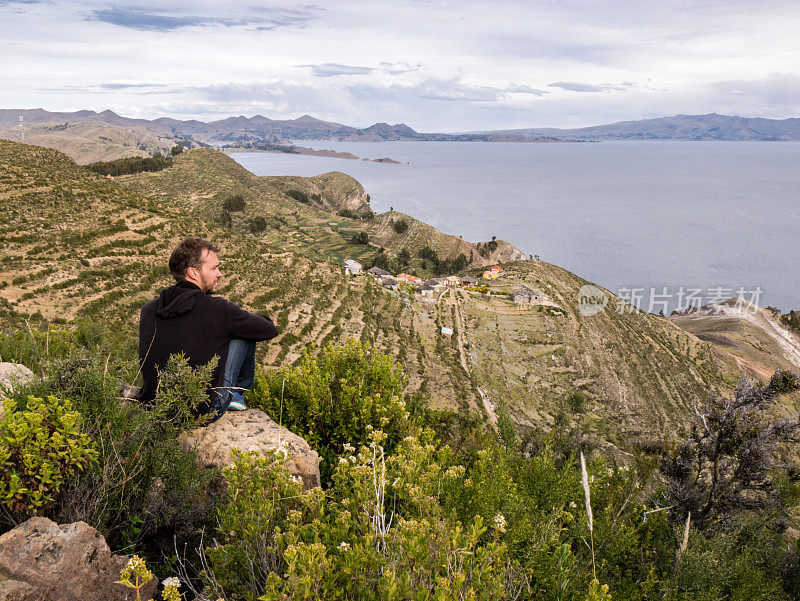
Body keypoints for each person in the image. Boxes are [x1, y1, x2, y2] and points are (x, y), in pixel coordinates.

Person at [138, 237, 278, 420]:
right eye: (213, 268)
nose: (219, 274)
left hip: (154, 406)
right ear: (193, 273)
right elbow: (268, 329)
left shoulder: (149, 309)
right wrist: (247, 318)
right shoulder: (218, 309)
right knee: (245, 332)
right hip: (200, 412)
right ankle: (236, 394)